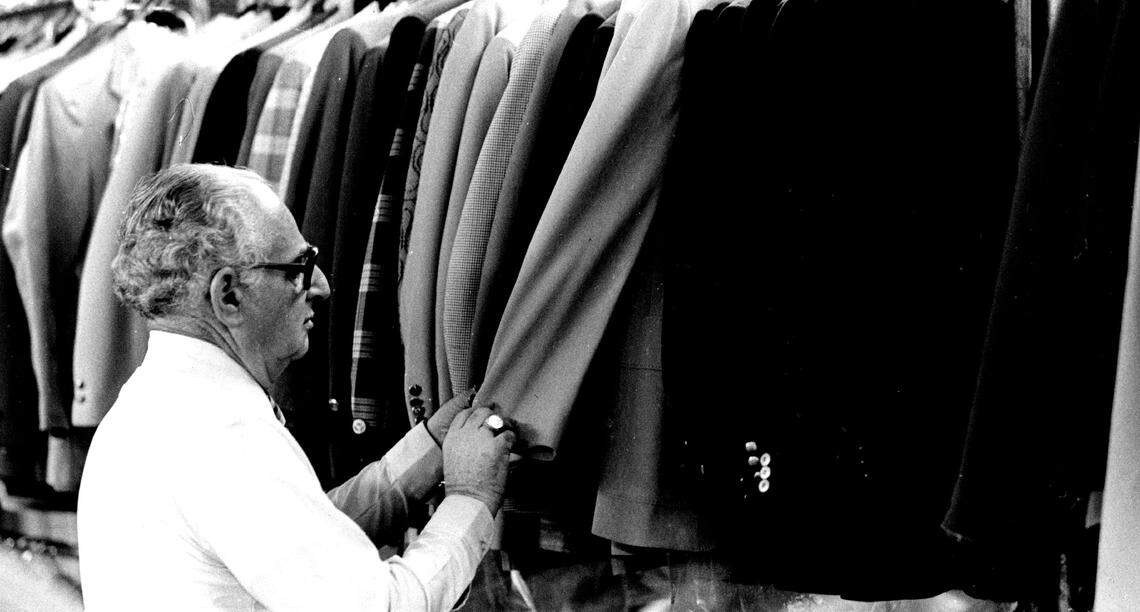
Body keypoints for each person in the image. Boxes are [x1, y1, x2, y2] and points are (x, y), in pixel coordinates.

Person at [76, 164, 515, 611]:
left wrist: (424, 452)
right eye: (298, 268)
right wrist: (471, 497)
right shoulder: (224, 432)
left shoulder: (153, 405)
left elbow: (295, 549)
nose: (321, 286)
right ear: (228, 295)